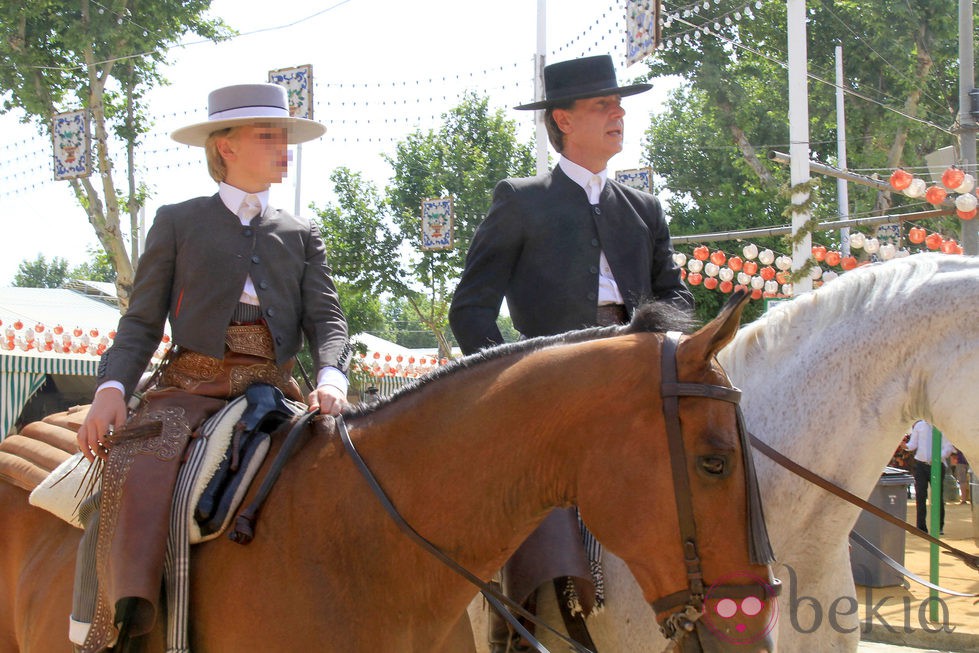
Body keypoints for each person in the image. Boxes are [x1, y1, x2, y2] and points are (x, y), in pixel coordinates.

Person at [70, 83, 351, 651]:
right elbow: (142, 323)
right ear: (225, 146)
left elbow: (328, 321)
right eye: (268, 136)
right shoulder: (178, 222)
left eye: (284, 136)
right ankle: (111, 629)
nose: (284, 148)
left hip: (279, 390)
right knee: (130, 475)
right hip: (189, 388)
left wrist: (331, 378)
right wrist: (112, 388)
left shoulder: (303, 233)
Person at [449, 54, 692, 652]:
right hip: (550, 391)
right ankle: (521, 625)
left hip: (641, 381)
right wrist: (518, 385)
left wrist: (672, 349)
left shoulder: (645, 209)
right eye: (602, 105)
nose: (619, 113)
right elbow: (470, 310)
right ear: (563, 118)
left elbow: (676, 297)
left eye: (619, 103)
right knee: (520, 490)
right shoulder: (520, 199)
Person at [904, 419, 954, 534]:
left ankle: (938, 526)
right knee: (920, 495)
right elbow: (913, 445)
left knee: (937, 496)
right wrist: (905, 446)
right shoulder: (919, 426)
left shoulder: (942, 426)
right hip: (921, 464)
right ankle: (921, 527)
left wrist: (937, 457)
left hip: (937, 464)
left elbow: (948, 447)